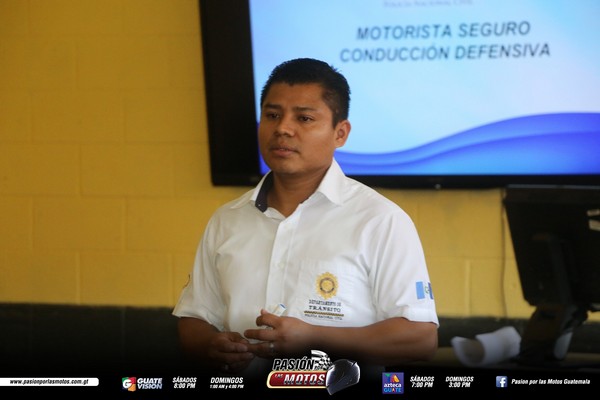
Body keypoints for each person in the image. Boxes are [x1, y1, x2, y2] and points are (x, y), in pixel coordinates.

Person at [172, 58, 439, 379]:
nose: (282, 128)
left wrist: (313, 337)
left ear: (340, 133)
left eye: (304, 118)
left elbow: (420, 339)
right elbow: (194, 319)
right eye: (272, 115)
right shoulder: (227, 220)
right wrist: (211, 346)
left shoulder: (380, 220)